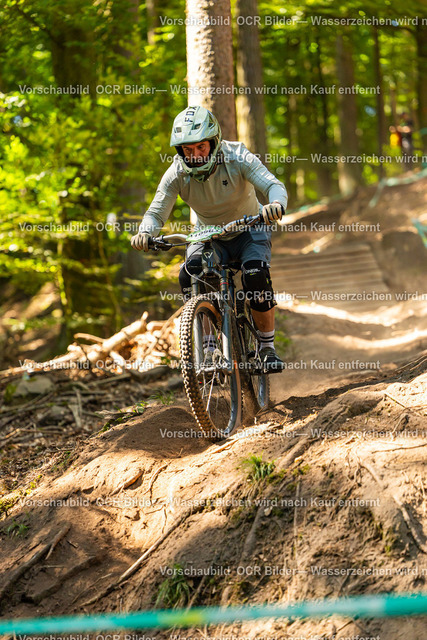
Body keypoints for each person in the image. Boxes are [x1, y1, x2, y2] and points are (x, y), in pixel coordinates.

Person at [131, 105, 288, 371]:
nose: (194, 155)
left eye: (200, 147)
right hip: (208, 235)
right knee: (190, 273)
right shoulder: (176, 173)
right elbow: (156, 212)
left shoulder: (237, 156)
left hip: (250, 227)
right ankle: (209, 346)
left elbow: (273, 184)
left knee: (255, 275)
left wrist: (275, 204)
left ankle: (267, 347)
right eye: (187, 149)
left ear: (214, 142)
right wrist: (146, 232)